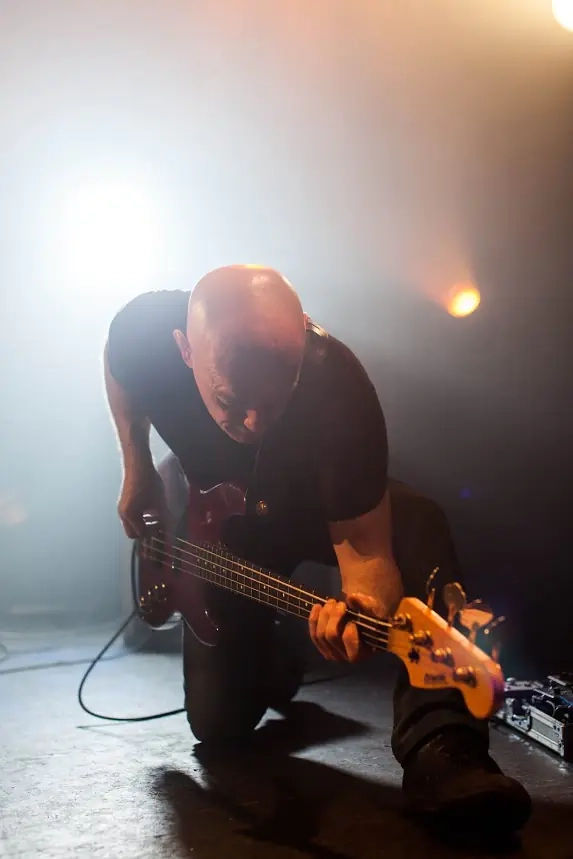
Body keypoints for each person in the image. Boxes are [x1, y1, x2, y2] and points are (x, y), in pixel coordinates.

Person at [104, 264, 531, 837]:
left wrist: (363, 613)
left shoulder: (340, 385)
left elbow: (367, 555)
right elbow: (119, 364)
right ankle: (270, 655)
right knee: (217, 729)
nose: (254, 423)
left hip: (316, 514)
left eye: (275, 402)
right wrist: (137, 467)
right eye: (231, 402)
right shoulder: (146, 330)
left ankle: (446, 747)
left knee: (420, 521)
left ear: (302, 343)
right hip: (226, 532)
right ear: (184, 349)